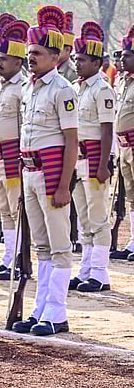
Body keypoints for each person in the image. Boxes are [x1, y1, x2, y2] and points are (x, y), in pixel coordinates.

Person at [12, 6, 78, 336]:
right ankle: (41, 309)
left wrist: (64, 185)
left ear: (55, 56)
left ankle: (57, 312)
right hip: (30, 171)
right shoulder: (29, 87)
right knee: (41, 245)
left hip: (52, 173)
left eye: (36, 53)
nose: (30, 58)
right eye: (28, 53)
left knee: (59, 245)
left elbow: (71, 141)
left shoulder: (62, 89)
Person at [69, 22, 115, 292]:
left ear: (97, 62)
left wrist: (103, 165)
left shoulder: (102, 89)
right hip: (78, 159)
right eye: (75, 59)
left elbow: (107, 130)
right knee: (83, 218)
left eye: (83, 60)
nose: (77, 63)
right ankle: (86, 269)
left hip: (95, 158)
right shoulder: (77, 88)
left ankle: (100, 273)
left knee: (98, 218)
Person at [0, 20, 30, 280]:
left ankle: (21, 260)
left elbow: (25, 126)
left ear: (17, 61)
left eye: (4, 59)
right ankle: (8, 259)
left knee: (17, 210)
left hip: (13, 157)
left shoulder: (23, 87)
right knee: (4, 210)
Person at [113, 37, 134, 261]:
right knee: (131, 196)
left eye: (127, 55)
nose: (122, 59)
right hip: (124, 147)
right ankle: (133, 242)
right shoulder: (123, 82)